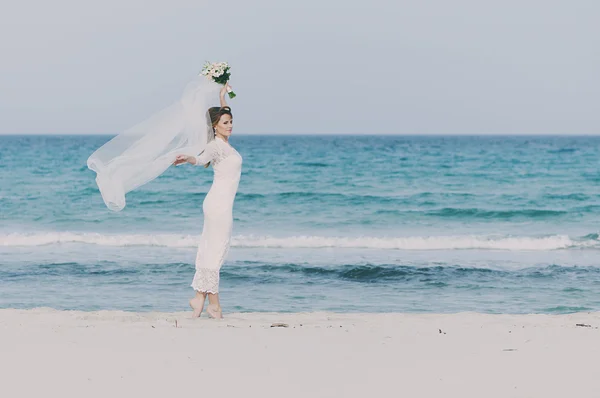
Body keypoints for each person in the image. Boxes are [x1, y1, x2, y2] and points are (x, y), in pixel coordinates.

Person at [173, 83, 242, 319]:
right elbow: (201, 159)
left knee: (212, 250)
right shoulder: (215, 146)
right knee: (215, 251)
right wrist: (188, 158)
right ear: (215, 126)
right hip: (217, 206)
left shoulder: (224, 144)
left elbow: (223, 114)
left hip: (221, 204)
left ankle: (199, 299)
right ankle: (214, 304)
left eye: (231, 121)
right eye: (225, 123)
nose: (230, 125)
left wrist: (222, 97)